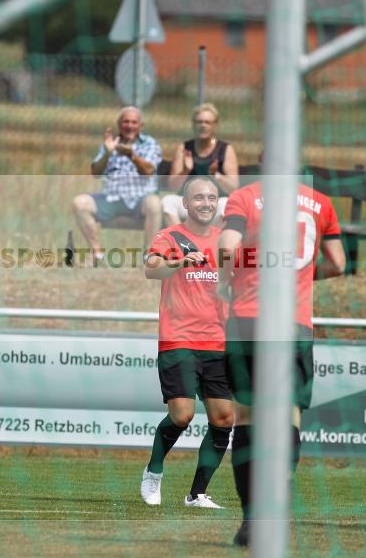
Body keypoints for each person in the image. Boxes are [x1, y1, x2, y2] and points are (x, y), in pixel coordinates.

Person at [217, 160, 346, 546]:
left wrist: (226, 281)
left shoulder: (245, 197)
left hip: (248, 319)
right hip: (293, 323)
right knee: (289, 414)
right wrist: (301, 274)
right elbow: (338, 263)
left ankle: (251, 519)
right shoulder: (321, 203)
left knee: (247, 416)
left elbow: (226, 246)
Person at [141, 176, 234, 509]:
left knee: (223, 419)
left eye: (211, 197)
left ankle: (197, 494)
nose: (205, 203)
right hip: (178, 338)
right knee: (181, 415)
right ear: (185, 203)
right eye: (198, 197)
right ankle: (153, 471)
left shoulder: (228, 240)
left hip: (219, 341)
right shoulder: (169, 236)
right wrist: (179, 262)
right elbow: (151, 269)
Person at [72, 106, 163, 264]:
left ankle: (150, 255)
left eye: (134, 122)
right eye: (125, 122)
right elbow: (96, 173)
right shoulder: (110, 144)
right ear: (119, 124)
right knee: (79, 203)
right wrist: (107, 153)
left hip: (140, 200)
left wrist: (131, 155)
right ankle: (97, 254)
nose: (129, 126)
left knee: (154, 203)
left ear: (140, 126)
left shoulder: (149, 144)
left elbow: (148, 171)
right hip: (112, 199)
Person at [162, 103, 239, 226]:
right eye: (199, 122)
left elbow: (233, 187)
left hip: (214, 204)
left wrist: (216, 175)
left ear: (215, 125)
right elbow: (173, 187)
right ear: (193, 125)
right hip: (189, 204)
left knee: (226, 204)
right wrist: (186, 170)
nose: (203, 125)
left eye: (207, 122)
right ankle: (180, 237)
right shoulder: (184, 148)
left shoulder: (225, 149)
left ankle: (211, 239)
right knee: (167, 202)